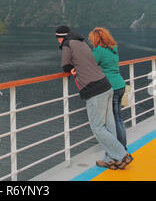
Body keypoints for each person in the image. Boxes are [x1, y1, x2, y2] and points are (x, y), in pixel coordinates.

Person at [55, 25, 133, 170]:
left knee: (97, 127)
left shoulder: (67, 43)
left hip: (94, 90)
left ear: (61, 37)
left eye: (57, 38)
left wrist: (71, 68)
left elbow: (65, 65)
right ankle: (112, 159)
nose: (58, 41)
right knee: (110, 125)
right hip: (107, 86)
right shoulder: (81, 41)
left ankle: (122, 155)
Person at [89, 27, 127, 151]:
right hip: (120, 85)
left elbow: (89, 63)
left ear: (96, 39)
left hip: (110, 87)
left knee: (111, 121)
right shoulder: (113, 50)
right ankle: (123, 147)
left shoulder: (99, 51)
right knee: (118, 118)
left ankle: (118, 150)